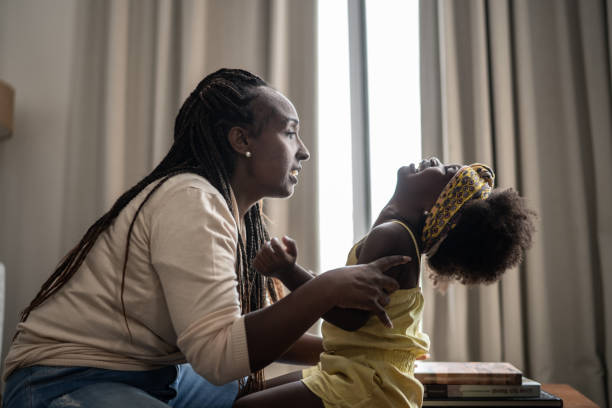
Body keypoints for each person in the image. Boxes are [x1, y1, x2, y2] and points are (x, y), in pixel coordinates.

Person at [1, 68, 410, 408]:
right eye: (289, 133)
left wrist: (349, 353)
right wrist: (325, 288)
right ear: (241, 140)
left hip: (152, 374)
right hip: (60, 380)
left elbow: (238, 334)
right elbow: (219, 357)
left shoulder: (232, 214)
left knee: (237, 387)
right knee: (227, 377)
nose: (303, 151)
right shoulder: (191, 199)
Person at [234, 158, 536, 408]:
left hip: (368, 379)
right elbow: (341, 291)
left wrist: (287, 271)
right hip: (356, 366)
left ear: (438, 207)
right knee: (245, 396)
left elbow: (350, 317)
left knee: (243, 407)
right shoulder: (394, 232)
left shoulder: (393, 236)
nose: (434, 161)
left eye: (443, 171)